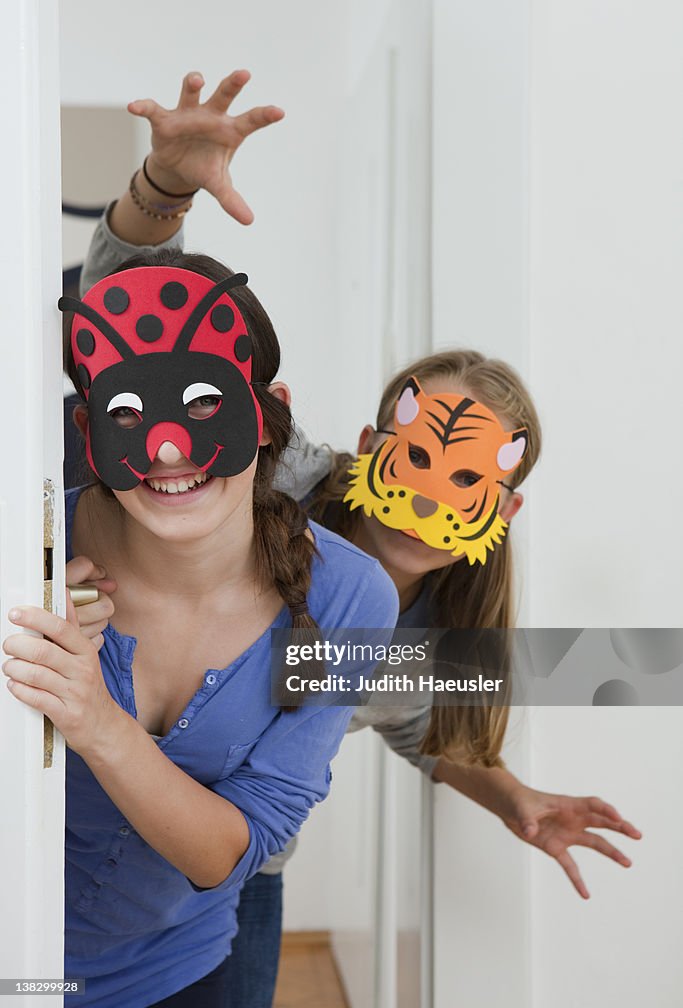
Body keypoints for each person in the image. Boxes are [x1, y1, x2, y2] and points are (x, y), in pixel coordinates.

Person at [74, 70, 642, 1008]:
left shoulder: (413, 629)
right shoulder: (271, 471)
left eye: (466, 480)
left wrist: (518, 803)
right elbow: (146, 341)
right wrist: (165, 187)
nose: (428, 493)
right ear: (373, 446)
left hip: (228, 882)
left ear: (501, 512)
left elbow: (426, 733)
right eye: (415, 457)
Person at [2, 234, 398, 1006]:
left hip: (175, 974)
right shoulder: (28, 556)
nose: (170, 449)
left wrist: (94, 718)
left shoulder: (350, 599)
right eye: (127, 413)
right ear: (88, 433)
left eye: (205, 403)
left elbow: (232, 851)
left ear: (264, 415)